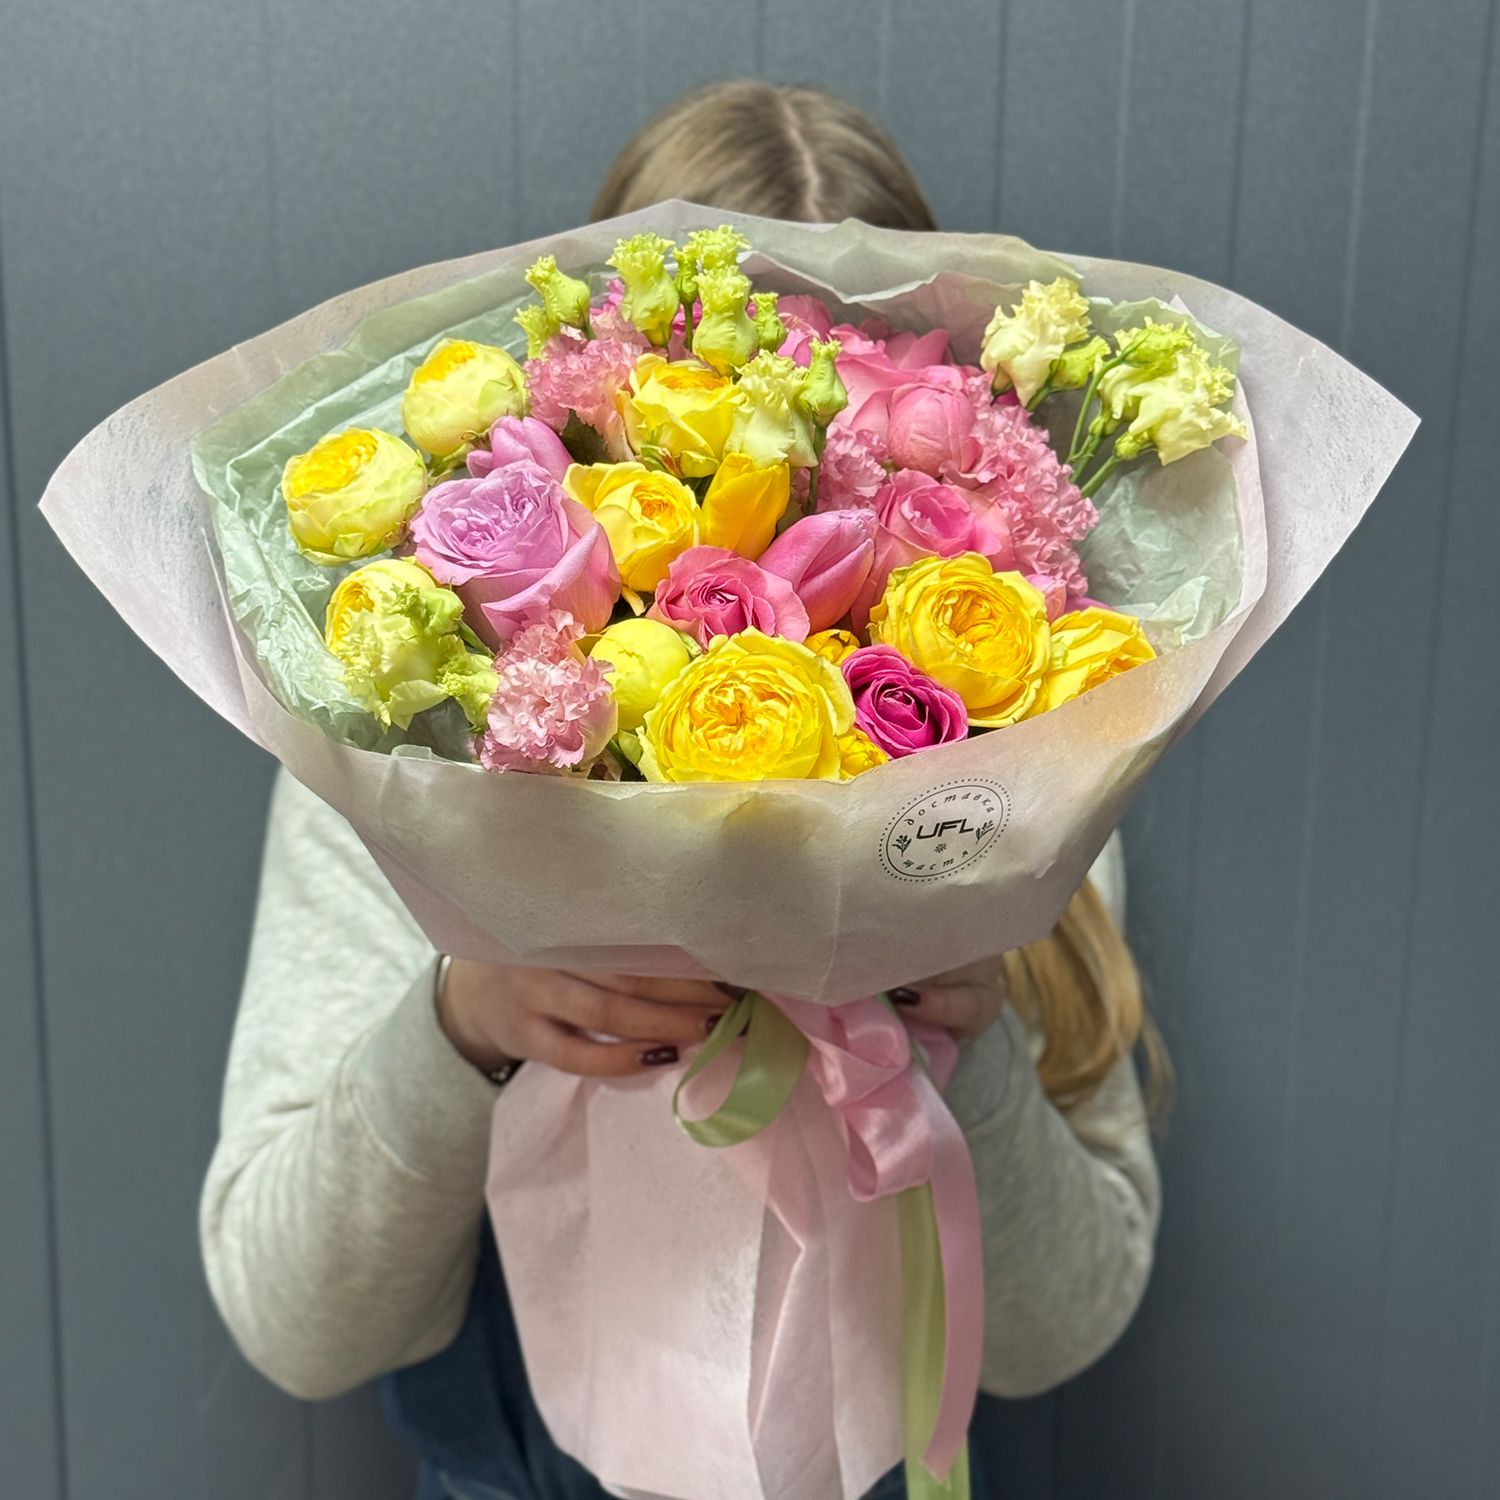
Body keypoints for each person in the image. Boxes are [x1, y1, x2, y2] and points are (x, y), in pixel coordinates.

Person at [201, 80, 1171, 1500]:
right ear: (593, 411)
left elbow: (1060, 1332)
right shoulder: (403, 765)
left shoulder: (1014, 770)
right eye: (715, 406)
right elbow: (293, 1324)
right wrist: (470, 1019)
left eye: (845, 413)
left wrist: (965, 1039)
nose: (785, 461)